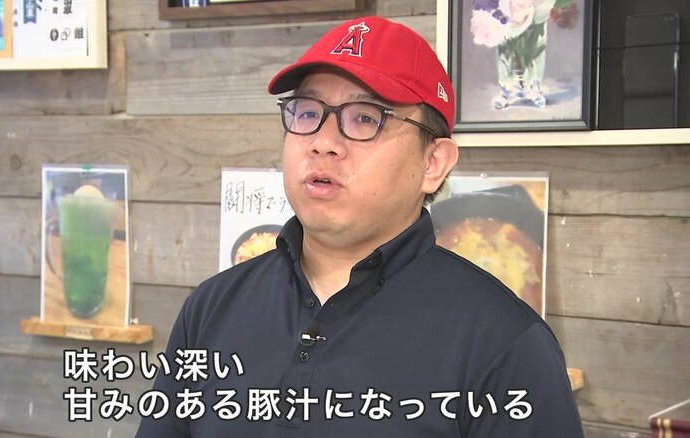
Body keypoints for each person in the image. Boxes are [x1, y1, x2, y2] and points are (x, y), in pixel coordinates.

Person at [136, 16, 583, 437]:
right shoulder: (212, 307)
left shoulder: (505, 343)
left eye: (365, 118)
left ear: (433, 163)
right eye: (307, 113)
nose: (322, 143)